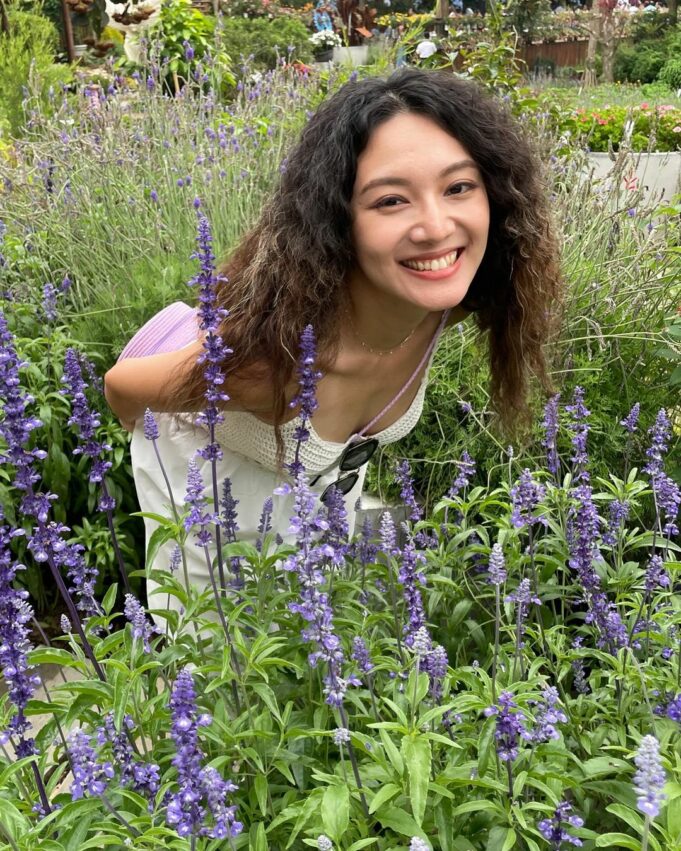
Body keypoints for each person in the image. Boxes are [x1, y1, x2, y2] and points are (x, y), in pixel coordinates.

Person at [104, 69, 561, 606]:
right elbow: (121, 387)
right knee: (215, 662)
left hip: (313, 509)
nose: (437, 227)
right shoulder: (273, 364)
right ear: (338, 222)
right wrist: (162, 442)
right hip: (206, 491)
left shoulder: (446, 302)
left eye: (459, 187)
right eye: (391, 200)